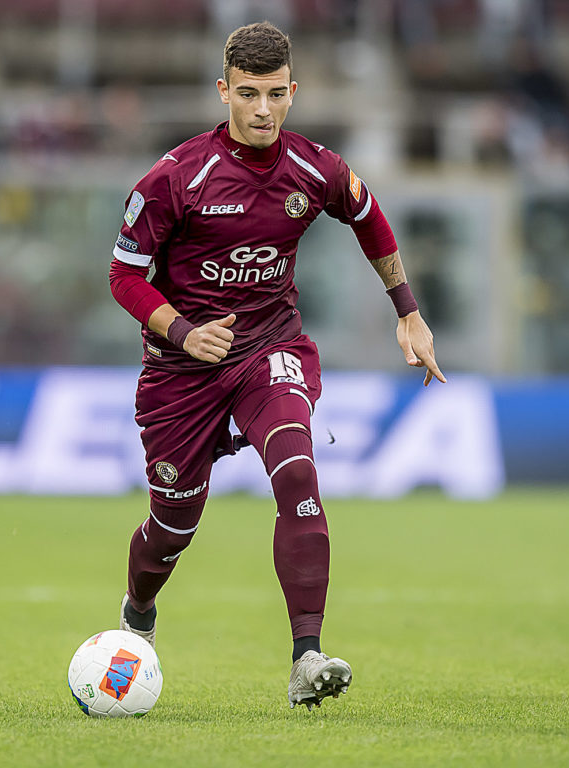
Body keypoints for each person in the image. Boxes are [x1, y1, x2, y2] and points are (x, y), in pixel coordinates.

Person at [107, 21, 445, 710]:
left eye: (275, 95)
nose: (263, 110)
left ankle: (306, 656)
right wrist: (182, 331)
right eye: (248, 94)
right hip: (181, 372)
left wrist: (407, 310)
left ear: (294, 91)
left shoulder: (315, 169)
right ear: (223, 90)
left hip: (270, 347)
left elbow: (368, 216)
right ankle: (138, 610)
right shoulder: (175, 178)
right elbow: (124, 275)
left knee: (296, 470)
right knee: (173, 523)